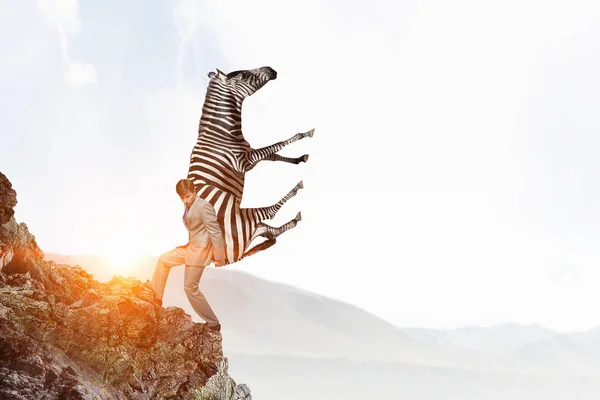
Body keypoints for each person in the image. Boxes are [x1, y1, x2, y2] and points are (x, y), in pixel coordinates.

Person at [150, 178, 227, 331]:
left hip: (200, 252)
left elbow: (216, 232)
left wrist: (220, 257)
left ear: (195, 191)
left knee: (190, 288)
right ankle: (156, 299)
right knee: (163, 260)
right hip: (189, 248)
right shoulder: (189, 206)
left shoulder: (204, 206)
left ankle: (213, 323)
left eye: (188, 197)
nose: (185, 200)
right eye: (182, 198)